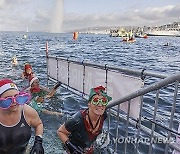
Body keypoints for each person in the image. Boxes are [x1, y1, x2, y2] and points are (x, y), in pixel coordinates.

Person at [57, 86, 112, 154]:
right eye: (95, 101)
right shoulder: (77, 120)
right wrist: (72, 148)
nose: (100, 105)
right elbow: (60, 132)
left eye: (103, 101)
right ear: (89, 104)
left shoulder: (103, 115)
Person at [0, 79, 44, 154]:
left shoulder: (27, 111)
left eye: (17, 97)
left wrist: (38, 141)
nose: (14, 102)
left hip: (24, 151)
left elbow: (38, 124)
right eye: (8, 99)